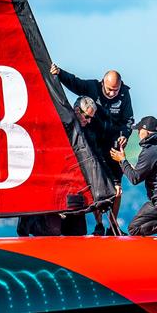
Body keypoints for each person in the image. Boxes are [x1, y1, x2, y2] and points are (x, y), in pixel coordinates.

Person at [50, 63, 134, 235]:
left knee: (117, 188)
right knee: (98, 186)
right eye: (110, 89)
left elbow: (129, 121)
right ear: (103, 82)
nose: (112, 94)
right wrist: (58, 73)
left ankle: (113, 227)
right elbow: (74, 82)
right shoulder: (92, 87)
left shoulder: (124, 94)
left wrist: (125, 135)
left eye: (115, 90)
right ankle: (99, 224)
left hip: (113, 143)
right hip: (94, 143)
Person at [17, 96, 98, 237]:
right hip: (53, 188)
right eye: (86, 116)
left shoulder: (88, 133)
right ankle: (26, 222)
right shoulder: (60, 125)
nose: (89, 121)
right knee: (50, 230)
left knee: (78, 232)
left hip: (75, 190)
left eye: (91, 118)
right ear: (77, 110)